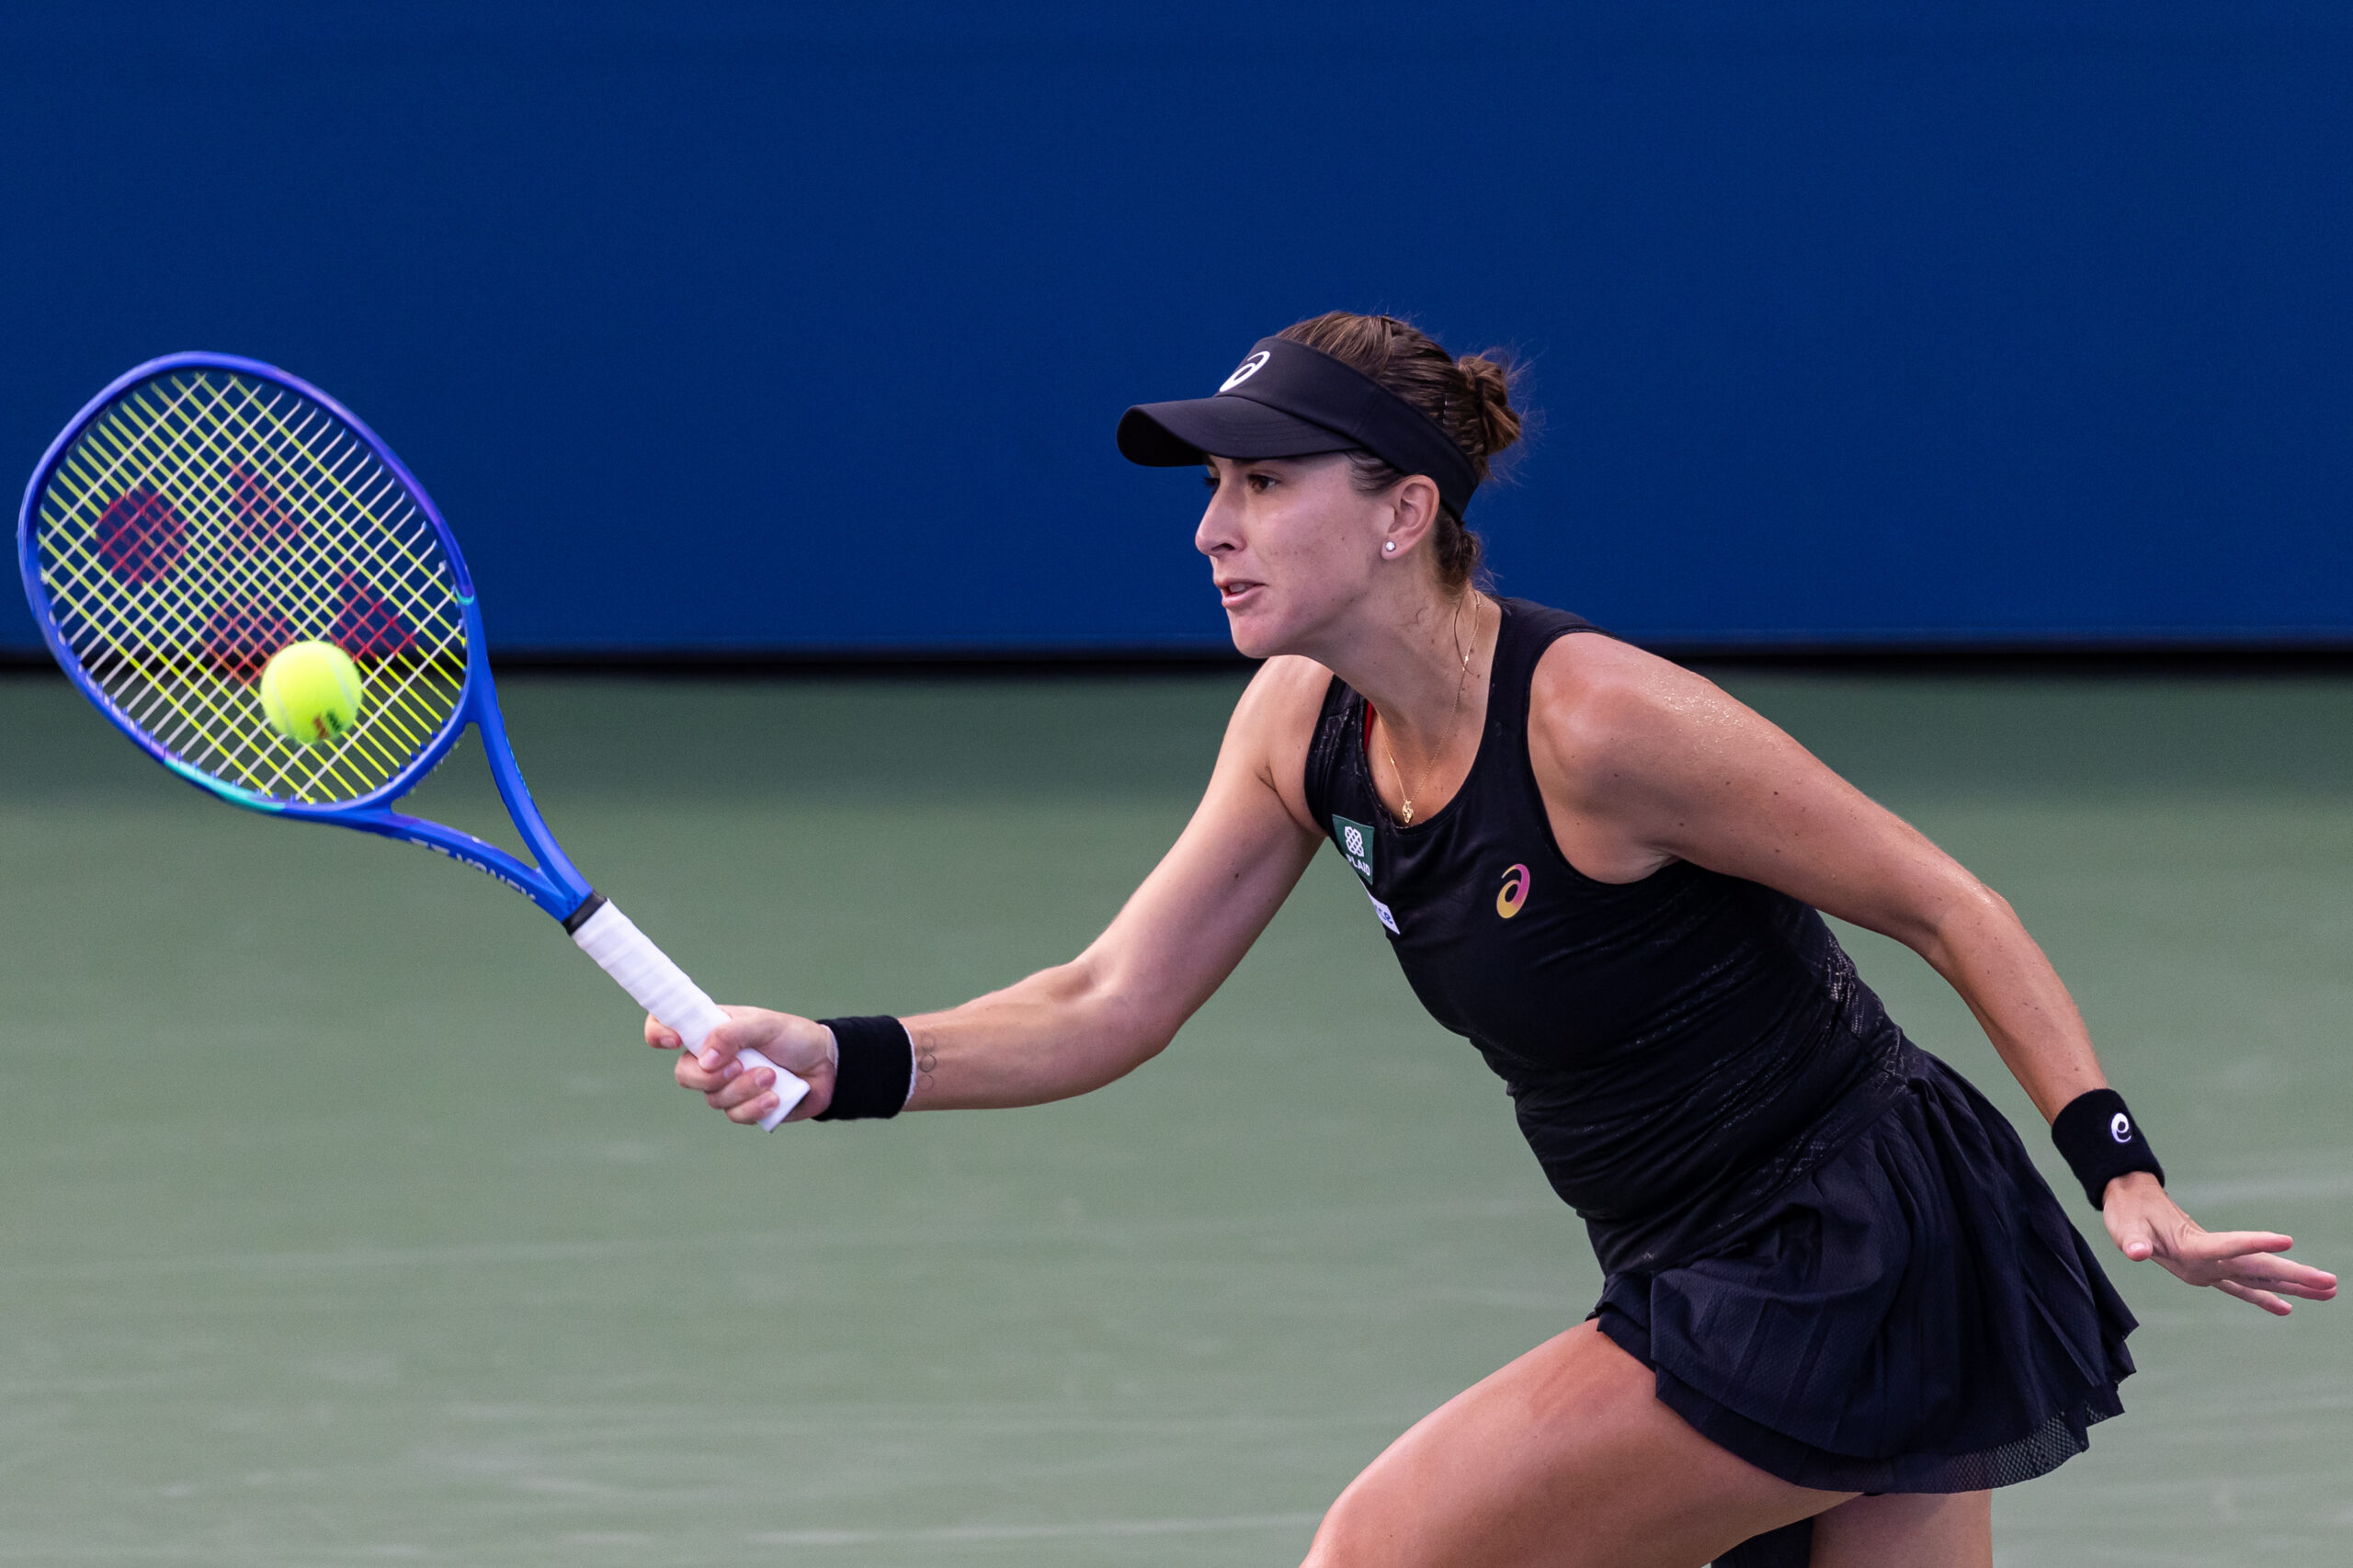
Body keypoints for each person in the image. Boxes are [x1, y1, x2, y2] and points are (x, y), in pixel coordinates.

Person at [647, 312, 2336, 1567]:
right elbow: (1109, 997)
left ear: (1402, 512)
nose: (1211, 528)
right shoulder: (1301, 724)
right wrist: (842, 1058)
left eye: (1261, 484)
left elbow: (1946, 902)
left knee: (1379, 1551)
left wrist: (2120, 1165)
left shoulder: (1599, 722)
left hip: (1841, 1245)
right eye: (1215, 487)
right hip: (1711, 1250)